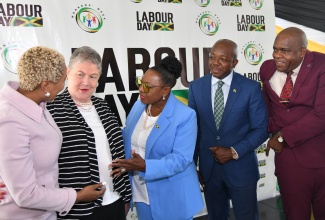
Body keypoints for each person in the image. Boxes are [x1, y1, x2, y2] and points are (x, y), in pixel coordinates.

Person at [0, 46, 105, 220]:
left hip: (47, 211)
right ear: (46, 85)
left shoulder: (37, 102)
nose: (64, 85)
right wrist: (77, 196)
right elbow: (26, 194)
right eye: (64, 79)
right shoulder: (10, 118)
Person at [110, 56, 204, 220]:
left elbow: (181, 159)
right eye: (141, 82)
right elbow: (128, 134)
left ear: (165, 90)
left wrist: (146, 165)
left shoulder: (185, 115)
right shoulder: (140, 105)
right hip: (141, 193)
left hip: (172, 196)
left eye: (147, 86)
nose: (141, 89)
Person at [47, 46, 132, 219]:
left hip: (115, 200)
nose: (86, 82)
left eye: (92, 77)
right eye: (80, 74)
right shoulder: (51, 109)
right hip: (77, 207)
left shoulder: (104, 107)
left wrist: (124, 194)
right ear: (68, 73)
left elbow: (116, 152)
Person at [188, 39, 268, 220]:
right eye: (212, 57)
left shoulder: (250, 88)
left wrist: (233, 151)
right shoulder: (196, 87)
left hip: (241, 169)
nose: (215, 63)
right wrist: (192, 165)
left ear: (234, 63)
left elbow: (261, 129)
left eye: (222, 59)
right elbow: (193, 131)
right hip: (209, 171)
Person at [259, 27, 325, 220]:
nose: (277, 55)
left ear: (302, 52)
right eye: (275, 49)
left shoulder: (322, 66)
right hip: (288, 159)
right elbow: (267, 106)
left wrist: (282, 136)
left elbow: (322, 114)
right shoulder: (267, 68)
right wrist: (270, 130)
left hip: (320, 156)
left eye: (284, 51)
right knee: (294, 215)